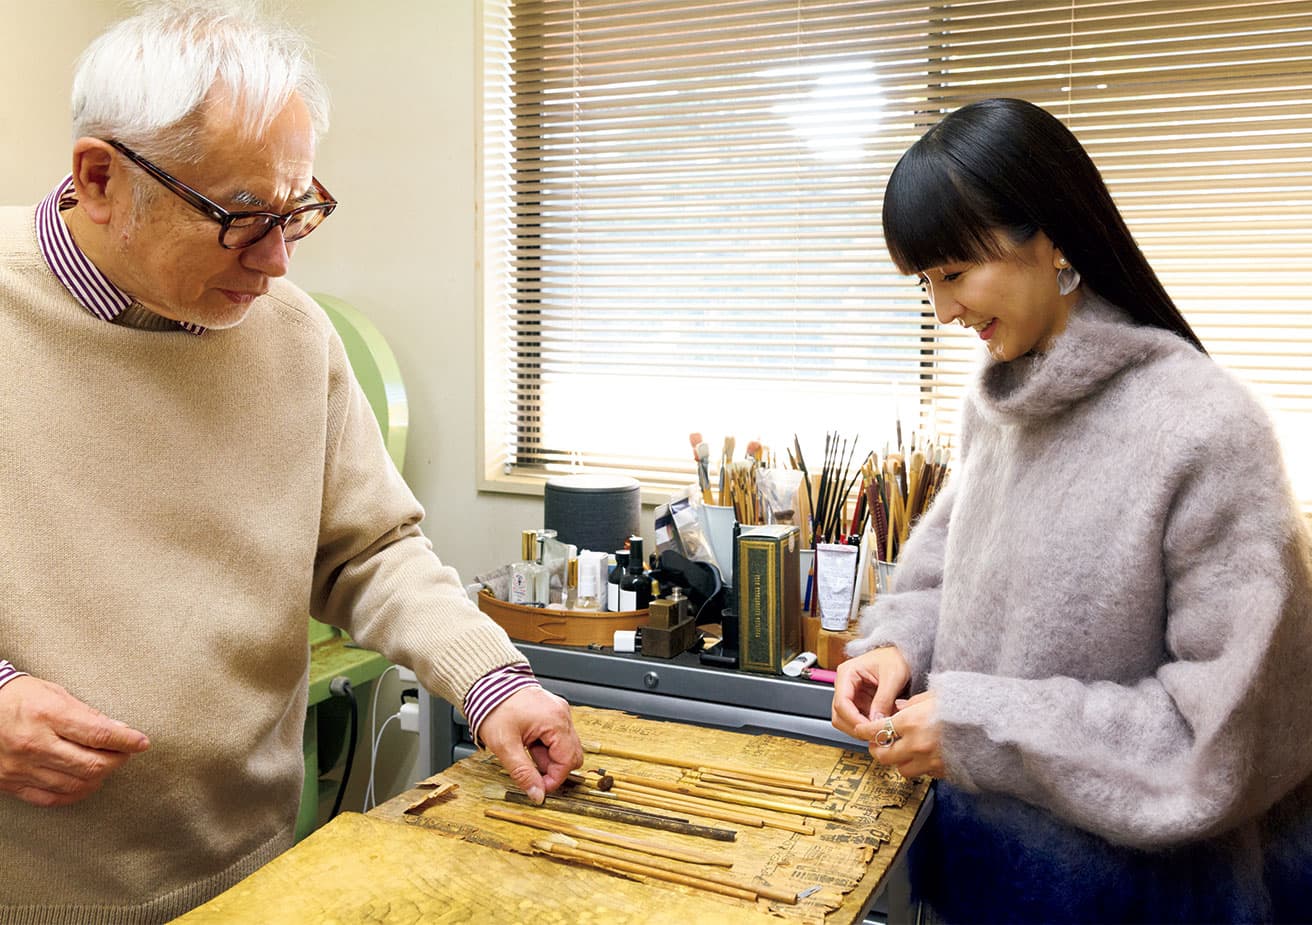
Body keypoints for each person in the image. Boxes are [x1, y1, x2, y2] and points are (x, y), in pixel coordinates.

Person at [0, 3, 581, 920]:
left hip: (253, 874)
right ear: (101, 178)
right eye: (240, 218)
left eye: (296, 211)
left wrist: (491, 681)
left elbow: (370, 551)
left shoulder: (295, 338)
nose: (276, 262)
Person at [831, 98, 1312, 923]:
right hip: (982, 882)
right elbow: (945, 579)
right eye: (927, 283)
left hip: (1139, 903)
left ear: (1051, 239)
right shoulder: (1000, 407)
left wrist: (982, 727)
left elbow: (1219, 735)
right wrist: (895, 650)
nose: (943, 311)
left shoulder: (1203, 428)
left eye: (954, 273)